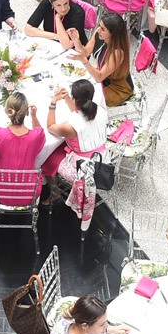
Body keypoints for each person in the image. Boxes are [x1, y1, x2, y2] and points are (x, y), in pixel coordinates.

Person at [41, 79, 108, 231]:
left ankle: (54, 191)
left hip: (82, 168)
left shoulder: (70, 127)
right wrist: (66, 98)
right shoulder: (100, 109)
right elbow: (78, 110)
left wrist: (53, 103)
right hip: (102, 158)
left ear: (74, 97)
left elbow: (50, 127)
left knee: (48, 157)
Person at [0, 90, 48, 181]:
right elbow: (40, 132)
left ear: (7, 112)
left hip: (1, 186)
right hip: (28, 188)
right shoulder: (35, 136)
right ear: (26, 112)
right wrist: (34, 116)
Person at [78, 12, 134, 108]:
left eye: (103, 29)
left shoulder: (118, 52)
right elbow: (86, 52)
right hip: (104, 77)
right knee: (78, 88)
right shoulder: (99, 34)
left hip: (118, 87)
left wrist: (85, 61)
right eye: (99, 26)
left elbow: (99, 77)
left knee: (88, 99)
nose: (98, 30)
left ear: (113, 34)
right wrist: (76, 40)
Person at [27, 0, 93, 48]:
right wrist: (56, 36)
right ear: (52, 3)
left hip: (75, 50)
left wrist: (57, 18)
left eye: (66, 3)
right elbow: (28, 29)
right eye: (58, 5)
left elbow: (67, 45)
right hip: (52, 45)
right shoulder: (46, 4)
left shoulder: (77, 12)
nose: (63, 9)